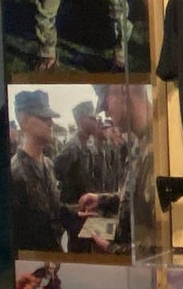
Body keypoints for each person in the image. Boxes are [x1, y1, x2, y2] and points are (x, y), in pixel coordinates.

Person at [77, 85, 154, 252]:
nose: (106, 112)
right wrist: (102, 200)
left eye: (106, 102)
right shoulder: (139, 143)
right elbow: (136, 199)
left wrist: (113, 250)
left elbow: (160, 241)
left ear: (124, 92)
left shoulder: (161, 145)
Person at [9, 89, 83, 251]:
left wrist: (78, 211)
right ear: (25, 121)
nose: (51, 123)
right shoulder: (15, 174)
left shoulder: (48, 164)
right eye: (44, 118)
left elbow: (53, 210)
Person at [52, 99, 104, 204]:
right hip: (72, 206)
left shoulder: (87, 147)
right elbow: (54, 172)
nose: (96, 122)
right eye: (92, 118)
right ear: (82, 120)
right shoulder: (72, 147)